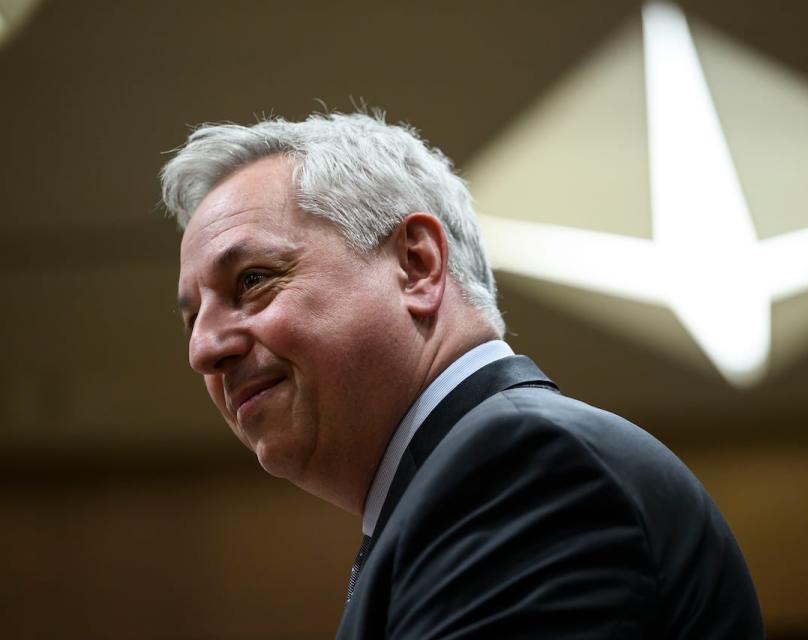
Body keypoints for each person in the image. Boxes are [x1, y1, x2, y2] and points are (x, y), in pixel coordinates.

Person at [164, 111, 765, 639]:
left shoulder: (523, 467)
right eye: (193, 318)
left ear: (417, 266)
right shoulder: (460, 485)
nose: (203, 350)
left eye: (252, 280)